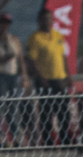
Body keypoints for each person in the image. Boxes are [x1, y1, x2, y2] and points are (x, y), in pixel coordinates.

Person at [25, 8, 68, 145]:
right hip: (45, 80)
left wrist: (67, 75)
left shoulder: (58, 35)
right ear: (39, 21)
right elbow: (31, 60)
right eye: (44, 19)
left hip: (59, 78)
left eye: (49, 19)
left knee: (63, 111)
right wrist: (40, 78)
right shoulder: (35, 38)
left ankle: (66, 141)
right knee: (46, 112)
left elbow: (63, 56)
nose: (47, 22)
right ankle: (49, 142)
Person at [0, 14, 25, 144]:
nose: (4, 26)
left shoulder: (13, 39)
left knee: (13, 107)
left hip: (12, 75)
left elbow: (20, 59)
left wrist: (24, 76)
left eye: (7, 24)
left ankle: (16, 137)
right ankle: (0, 137)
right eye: (2, 23)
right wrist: (2, 59)